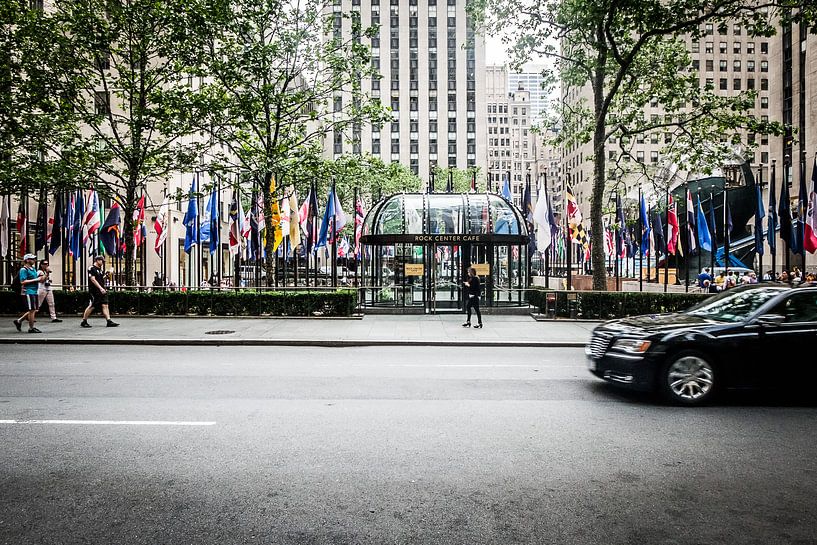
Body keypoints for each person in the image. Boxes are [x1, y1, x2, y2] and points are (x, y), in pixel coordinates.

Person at [80, 256, 119, 328]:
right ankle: (84, 321)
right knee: (92, 306)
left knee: (105, 305)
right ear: (97, 260)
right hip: (95, 291)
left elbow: (101, 279)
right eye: (102, 261)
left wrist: (107, 275)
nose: (103, 263)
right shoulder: (91, 268)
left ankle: (109, 321)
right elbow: (93, 279)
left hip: (102, 290)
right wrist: (100, 288)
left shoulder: (100, 270)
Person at [13, 254, 44, 333]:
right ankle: (31, 328)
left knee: (34, 309)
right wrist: (36, 279)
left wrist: (44, 275)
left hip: (34, 291)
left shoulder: (33, 269)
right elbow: (22, 281)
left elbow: (40, 279)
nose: (34, 260)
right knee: (32, 310)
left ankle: (19, 321)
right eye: (32, 259)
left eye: (34, 259)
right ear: (27, 260)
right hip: (28, 291)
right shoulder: (23, 270)